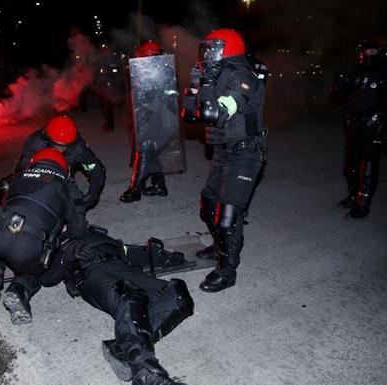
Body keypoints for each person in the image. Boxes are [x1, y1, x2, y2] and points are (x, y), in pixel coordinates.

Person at [40, 225, 193, 385]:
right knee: (130, 297)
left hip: (124, 266)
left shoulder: (93, 231)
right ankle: (144, 372)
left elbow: (128, 251)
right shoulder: (53, 242)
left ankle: (123, 347)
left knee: (178, 297)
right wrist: (65, 258)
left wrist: (163, 257)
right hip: (92, 272)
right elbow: (45, 279)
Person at [182, 28, 266, 292]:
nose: (206, 55)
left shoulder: (244, 77)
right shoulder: (218, 74)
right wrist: (193, 87)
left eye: (211, 49)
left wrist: (205, 87)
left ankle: (227, 271)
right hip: (224, 150)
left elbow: (214, 113)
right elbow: (190, 115)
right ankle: (220, 246)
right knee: (208, 206)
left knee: (227, 218)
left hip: (245, 153)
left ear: (226, 50)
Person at [0, 148, 87, 324]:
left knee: (0, 230)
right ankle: (19, 289)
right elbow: (78, 231)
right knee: (36, 269)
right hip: (27, 247)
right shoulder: (67, 187)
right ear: (64, 169)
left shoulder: (16, 178)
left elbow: (7, 203)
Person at [333, 37, 387, 219]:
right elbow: (340, 94)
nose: (369, 53)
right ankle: (352, 196)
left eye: (373, 51)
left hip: (373, 124)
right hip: (353, 122)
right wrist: (338, 85)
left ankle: (363, 205)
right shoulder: (355, 71)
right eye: (366, 51)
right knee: (350, 165)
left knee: (368, 166)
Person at [13, 114, 105, 211]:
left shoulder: (78, 147)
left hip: (63, 180)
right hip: (37, 177)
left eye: (63, 147)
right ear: (46, 138)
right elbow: (22, 167)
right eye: (56, 145)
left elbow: (95, 170)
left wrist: (91, 197)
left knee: (77, 208)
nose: (59, 150)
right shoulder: (35, 142)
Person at [120, 41, 170, 203]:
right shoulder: (155, 70)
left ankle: (136, 189)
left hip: (156, 119)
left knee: (144, 152)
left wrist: (149, 106)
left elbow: (163, 96)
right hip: (152, 118)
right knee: (151, 152)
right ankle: (159, 185)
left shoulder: (160, 71)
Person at [93, 44, 124, 132]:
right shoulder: (100, 59)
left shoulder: (114, 59)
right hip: (101, 84)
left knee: (108, 106)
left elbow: (117, 70)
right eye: (103, 49)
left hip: (109, 85)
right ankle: (107, 122)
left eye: (106, 49)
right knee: (103, 105)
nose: (104, 51)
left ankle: (110, 125)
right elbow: (96, 71)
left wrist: (109, 71)